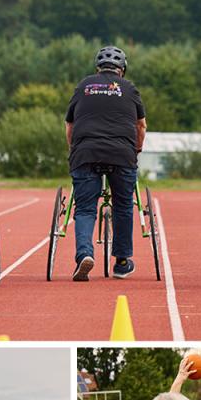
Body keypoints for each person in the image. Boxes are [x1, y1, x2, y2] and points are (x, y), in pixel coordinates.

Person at [65, 46, 147, 281]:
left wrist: (74, 150)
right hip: (122, 153)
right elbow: (141, 126)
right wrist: (137, 149)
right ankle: (121, 262)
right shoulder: (130, 89)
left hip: (85, 151)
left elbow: (69, 126)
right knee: (123, 205)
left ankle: (84, 255)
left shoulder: (84, 86)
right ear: (122, 70)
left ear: (98, 68)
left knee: (85, 208)